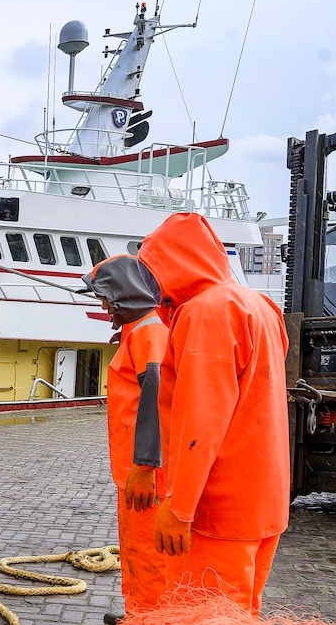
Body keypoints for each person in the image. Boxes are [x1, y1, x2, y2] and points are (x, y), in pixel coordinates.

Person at [136, 213, 290, 615]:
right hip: (261, 505)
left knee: (202, 613)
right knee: (242, 613)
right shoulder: (261, 306)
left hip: (216, 513)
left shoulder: (207, 312)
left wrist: (179, 507)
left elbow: (200, 421)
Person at [81, 255, 168, 624]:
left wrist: (145, 465)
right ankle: (138, 613)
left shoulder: (149, 332)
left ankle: (148, 617)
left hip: (144, 473)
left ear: (123, 295)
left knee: (147, 550)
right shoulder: (140, 332)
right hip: (133, 469)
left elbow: (157, 398)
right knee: (135, 548)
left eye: (104, 297)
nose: (102, 305)